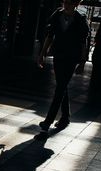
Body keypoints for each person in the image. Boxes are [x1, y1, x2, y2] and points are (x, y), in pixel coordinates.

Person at [37, 0, 89, 132]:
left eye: (71, 2)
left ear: (77, 3)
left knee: (60, 88)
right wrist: (42, 53)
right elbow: (50, 36)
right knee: (62, 85)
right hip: (58, 55)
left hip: (71, 58)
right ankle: (65, 117)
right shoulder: (56, 15)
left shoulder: (80, 19)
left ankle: (48, 121)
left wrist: (82, 62)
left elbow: (83, 43)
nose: (67, 4)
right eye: (66, 1)